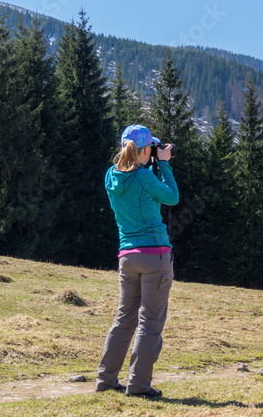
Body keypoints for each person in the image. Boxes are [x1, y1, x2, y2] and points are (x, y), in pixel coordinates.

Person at [95, 125, 178, 398]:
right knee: (150, 323)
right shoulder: (144, 176)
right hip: (155, 256)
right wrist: (163, 164)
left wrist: (152, 163)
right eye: (151, 148)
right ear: (144, 150)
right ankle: (139, 386)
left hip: (127, 257)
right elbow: (171, 197)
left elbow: (139, 187)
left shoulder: (111, 176)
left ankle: (106, 380)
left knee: (124, 320)